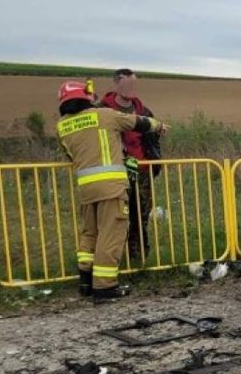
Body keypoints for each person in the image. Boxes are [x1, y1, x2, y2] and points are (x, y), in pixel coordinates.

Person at [56, 81, 168, 300]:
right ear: (86, 98)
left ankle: (86, 282)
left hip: (86, 189)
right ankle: (105, 286)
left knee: (90, 234)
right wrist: (159, 125)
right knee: (111, 235)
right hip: (111, 188)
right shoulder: (104, 115)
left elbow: (71, 156)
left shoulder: (61, 126)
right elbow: (137, 122)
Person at [99, 68, 160, 261]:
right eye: (127, 84)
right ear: (116, 84)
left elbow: (153, 138)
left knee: (141, 216)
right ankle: (112, 258)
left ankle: (140, 258)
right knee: (116, 218)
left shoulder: (144, 111)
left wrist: (154, 162)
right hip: (114, 172)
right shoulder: (102, 109)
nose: (132, 88)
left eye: (134, 84)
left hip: (141, 171)